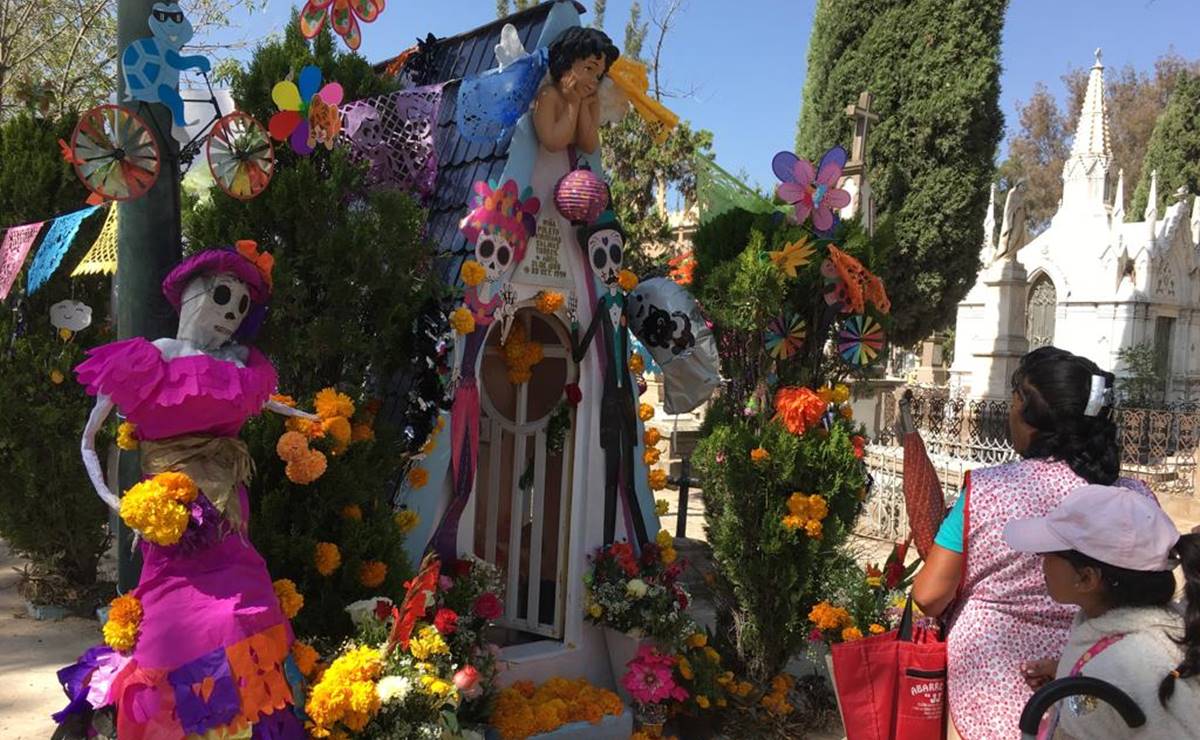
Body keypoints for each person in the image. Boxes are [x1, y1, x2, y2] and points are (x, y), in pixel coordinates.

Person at [52, 242, 312, 739]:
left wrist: (307, 417)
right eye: (223, 296)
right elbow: (87, 440)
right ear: (192, 295)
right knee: (172, 628)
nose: (233, 313)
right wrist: (114, 500)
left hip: (228, 520)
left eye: (242, 305)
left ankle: (242, 725)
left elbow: (272, 403)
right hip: (171, 521)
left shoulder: (239, 368)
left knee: (247, 612)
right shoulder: (148, 358)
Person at [912, 346, 1151, 740]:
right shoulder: (1134, 500)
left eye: (1013, 400)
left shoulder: (986, 490)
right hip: (1096, 686)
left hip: (990, 685)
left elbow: (929, 595)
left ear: (1027, 409)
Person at [1004, 485, 1200, 739]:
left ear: (1086, 578)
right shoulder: (1165, 629)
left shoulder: (1113, 671)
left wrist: (1086, 683)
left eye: (1048, 553)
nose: (1041, 561)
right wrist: (1068, 674)